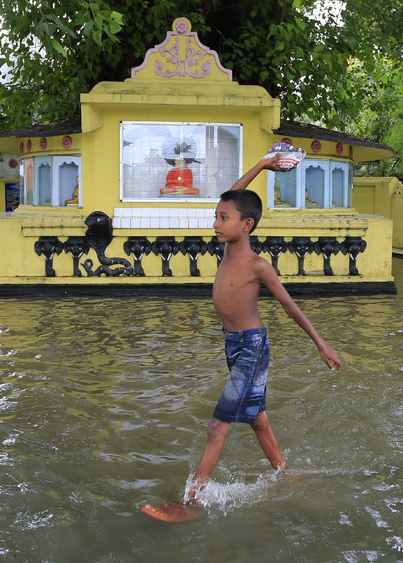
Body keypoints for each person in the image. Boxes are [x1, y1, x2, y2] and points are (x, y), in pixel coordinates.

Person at [141, 153, 342, 522]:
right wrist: (262, 167)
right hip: (233, 345)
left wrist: (321, 343)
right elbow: (234, 194)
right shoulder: (227, 248)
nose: (215, 223)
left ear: (246, 225)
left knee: (217, 425)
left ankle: (190, 505)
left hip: (252, 347)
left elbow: (289, 306)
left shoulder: (256, 265)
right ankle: (285, 474)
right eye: (217, 216)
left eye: (223, 218)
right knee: (256, 417)